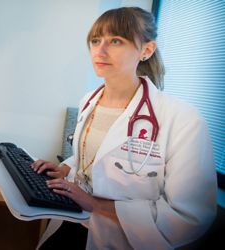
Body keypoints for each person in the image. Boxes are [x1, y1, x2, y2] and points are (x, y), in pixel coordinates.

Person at [31, 6, 217, 249]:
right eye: (96, 40)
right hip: (71, 222)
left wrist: (95, 204)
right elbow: (94, 156)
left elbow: (189, 217)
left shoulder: (182, 119)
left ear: (147, 50)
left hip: (121, 240)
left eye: (116, 40)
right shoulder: (89, 101)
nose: (100, 50)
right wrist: (65, 168)